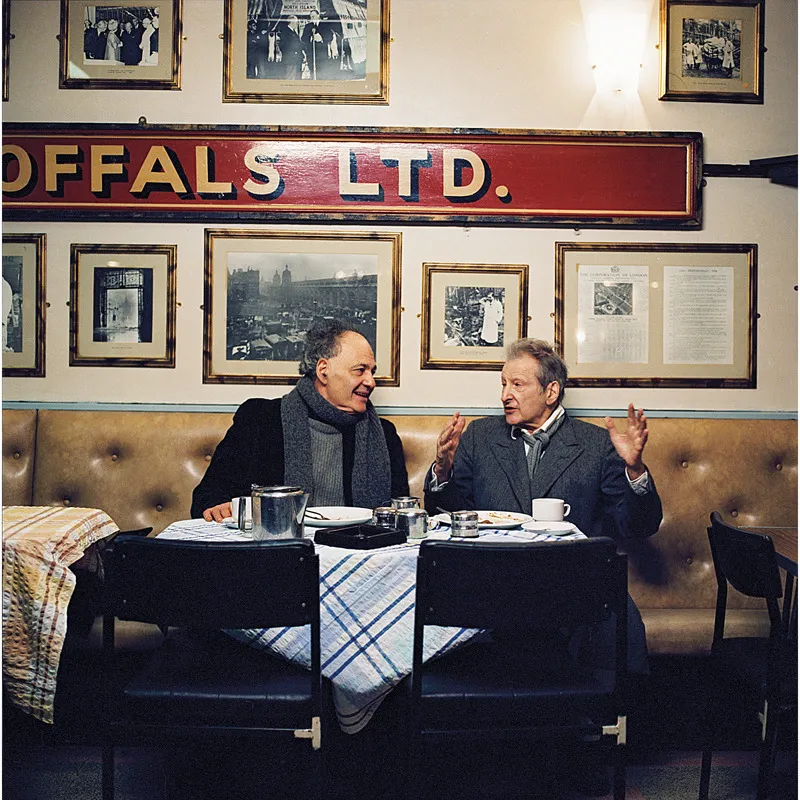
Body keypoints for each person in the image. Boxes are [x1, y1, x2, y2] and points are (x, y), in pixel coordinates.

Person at [192, 319, 409, 521]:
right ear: (323, 371)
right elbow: (208, 495)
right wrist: (218, 506)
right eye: (360, 370)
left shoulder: (384, 434)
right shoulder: (259, 420)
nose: (371, 382)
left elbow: (401, 510)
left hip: (358, 550)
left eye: (372, 372)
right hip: (279, 553)